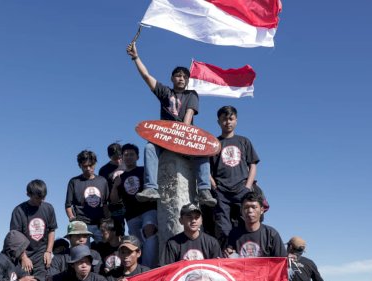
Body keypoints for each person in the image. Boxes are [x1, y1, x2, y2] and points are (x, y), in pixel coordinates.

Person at [126, 42, 216, 207]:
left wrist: (181, 137)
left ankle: (204, 189)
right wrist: (136, 58)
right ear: (172, 78)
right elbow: (147, 76)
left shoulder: (192, 94)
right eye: (178, 75)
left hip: (184, 137)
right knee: (149, 148)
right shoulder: (165, 92)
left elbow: (188, 116)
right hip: (164, 138)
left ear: (188, 80)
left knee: (203, 151)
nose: (181, 78)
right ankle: (151, 188)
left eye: (184, 76)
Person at [10, 179, 57, 281]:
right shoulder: (19, 211)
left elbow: (51, 230)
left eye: (43, 197)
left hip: (41, 254)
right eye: (37, 198)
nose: (40, 201)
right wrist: (23, 256)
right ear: (28, 194)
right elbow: (15, 237)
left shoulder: (48, 208)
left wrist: (49, 251)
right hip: (24, 255)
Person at [210, 106, 260, 246]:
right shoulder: (214, 143)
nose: (228, 122)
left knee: (245, 221)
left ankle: (245, 248)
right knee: (222, 224)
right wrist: (214, 186)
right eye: (224, 119)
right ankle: (227, 249)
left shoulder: (244, 141)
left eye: (231, 119)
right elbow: (206, 168)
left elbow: (253, 165)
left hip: (241, 189)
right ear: (218, 121)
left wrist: (248, 186)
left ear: (236, 120)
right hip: (222, 190)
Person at [110, 143, 159, 267]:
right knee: (136, 243)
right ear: (122, 157)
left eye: (132, 154)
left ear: (137, 157)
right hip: (131, 215)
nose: (129, 157)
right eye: (126, 155)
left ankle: (149, 268)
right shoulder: (120, 176)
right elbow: (114, 200)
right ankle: (139, 268)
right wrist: (115, 185)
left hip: (148, 209)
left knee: (149, 231)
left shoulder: (144, 171)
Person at [225, 192, 286, 258]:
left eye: (254, 207)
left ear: (262, 210)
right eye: (246, 207)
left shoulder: (271, 234)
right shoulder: (234, 234)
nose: (250, 210)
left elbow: (281, 262)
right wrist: (229, 254)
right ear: (241, 211)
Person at [65, 150, 110, 242]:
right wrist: (72, 219)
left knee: (104, 249)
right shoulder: (74, 182)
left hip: (99, 224)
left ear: (95, 164)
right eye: (85, 166)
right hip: (82, 225)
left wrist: (107, 221)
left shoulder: (103, 181)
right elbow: (68, 205)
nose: (88, 168)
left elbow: (105, 203)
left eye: (91, 165)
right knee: (83, 252)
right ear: (80, 166)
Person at [99, 142, 126, 237]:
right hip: (114, 205)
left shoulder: (128, 163)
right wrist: (105, 207)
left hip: (129, 202)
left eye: (120, 157)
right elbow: (103, 190)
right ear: (109, 156)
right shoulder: (104, 170)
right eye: (115, 158)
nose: (118, 161)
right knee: (118, 232)